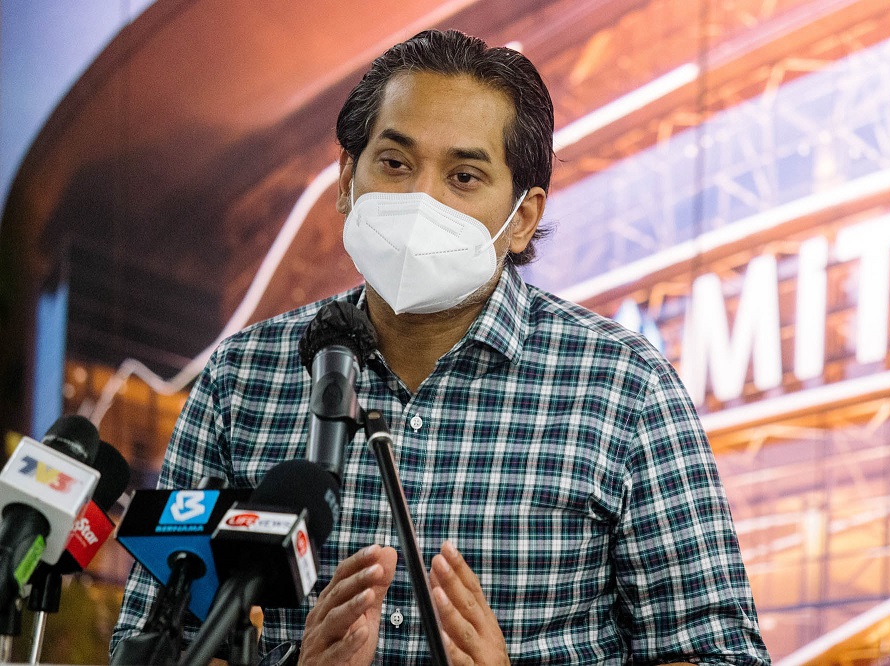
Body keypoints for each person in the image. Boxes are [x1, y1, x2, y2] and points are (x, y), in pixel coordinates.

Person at [112, 29, 770, 665]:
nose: (419, 198)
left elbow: (716, 654)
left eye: (463, 177)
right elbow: (147, 642)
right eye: (394, 163)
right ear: (346, 177)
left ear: (523, 218)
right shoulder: (241, 380)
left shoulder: (624, 388)